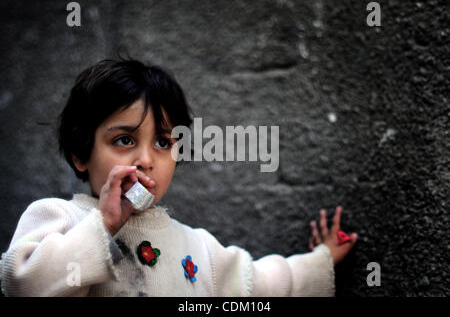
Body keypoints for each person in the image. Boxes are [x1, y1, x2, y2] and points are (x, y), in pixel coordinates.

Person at [0, 59, 357, 297]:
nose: (145, 159)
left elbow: (258, 284)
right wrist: (103, 226)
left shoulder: (197, 247)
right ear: (80, 154)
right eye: (123, 140)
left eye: (162, 142)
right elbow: (23, 283)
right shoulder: (60, 219)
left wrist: (321, 260)